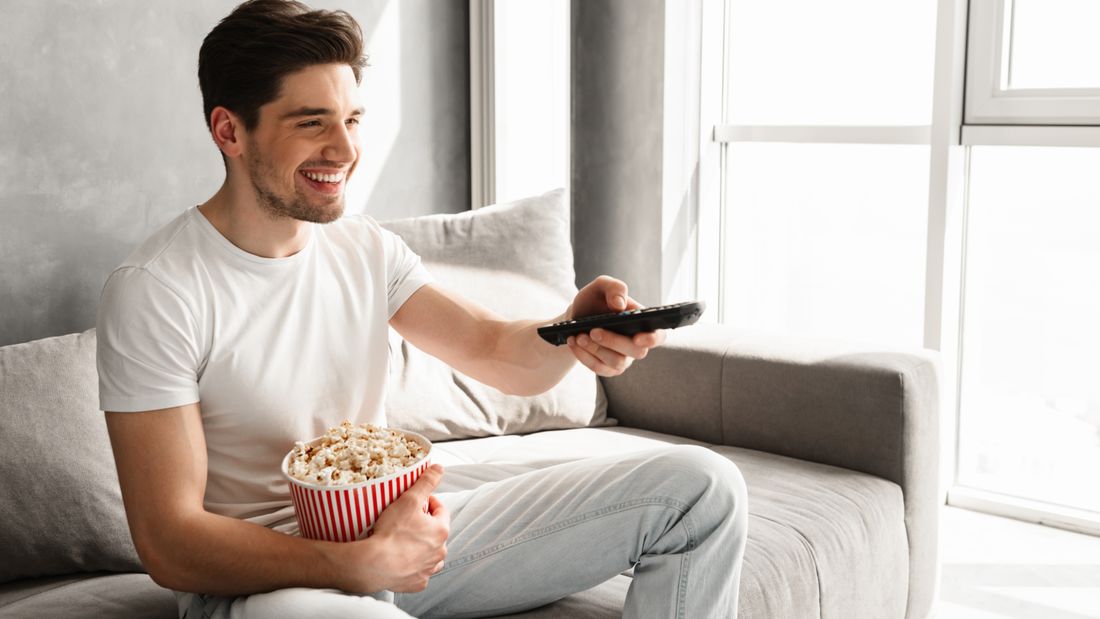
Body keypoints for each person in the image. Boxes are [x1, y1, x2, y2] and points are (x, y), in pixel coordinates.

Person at [96, 1, 748, 617]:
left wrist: (570, 333)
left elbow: (494, 349)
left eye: (351, 120)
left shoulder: (364, 249)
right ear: (229, 130)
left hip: (401, 540)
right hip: (261, 588)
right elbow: (169, 541)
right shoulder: (158, 289)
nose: (346, 150)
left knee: (704, 488)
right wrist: (352, 566)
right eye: (311, 122)